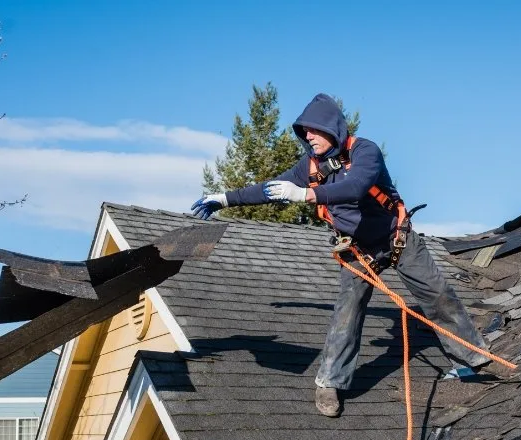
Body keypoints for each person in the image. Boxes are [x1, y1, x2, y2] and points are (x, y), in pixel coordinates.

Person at [192, 93, 493, 417]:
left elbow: (356, 187)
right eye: (304, 132)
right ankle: (329, 383)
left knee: (438, 296)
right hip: (358, 250)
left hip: (397, 239)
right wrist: (225, 199)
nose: (308, 136)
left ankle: (470, 359)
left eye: (314, 130)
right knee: (346, 314)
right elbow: (268, 189)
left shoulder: (365, 151)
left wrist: (306, 195)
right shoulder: (309, 167)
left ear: (332, 128)